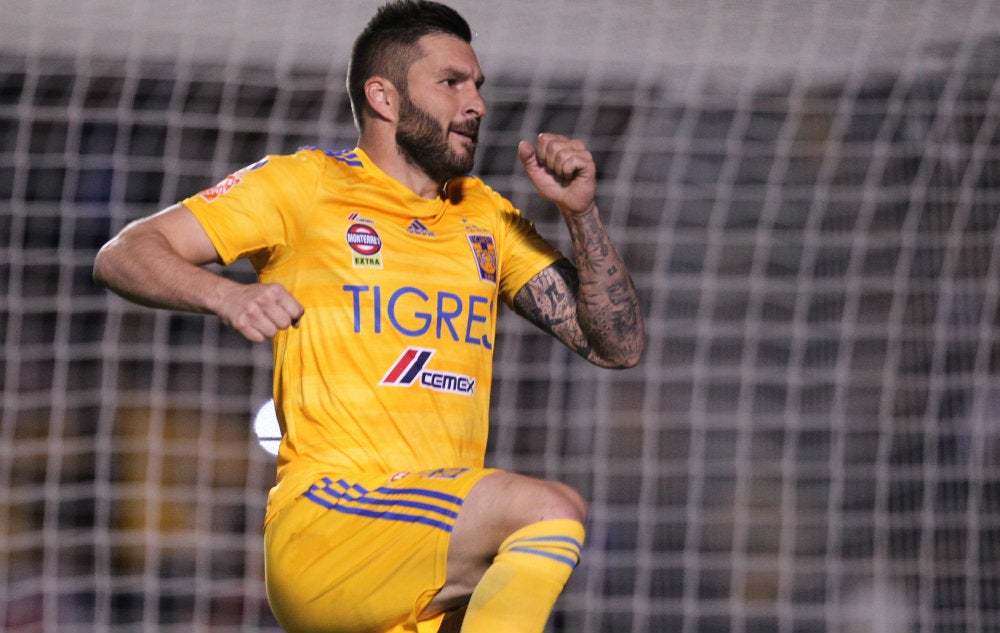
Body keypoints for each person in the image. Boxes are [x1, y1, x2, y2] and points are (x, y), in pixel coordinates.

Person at [92, 1, 644, 631]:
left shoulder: (485, 217)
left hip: (427, 558)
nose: (476, 105)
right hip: (330, 524)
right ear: (383, 96)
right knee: (547, 511)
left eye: (478, 86)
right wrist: (227, 295)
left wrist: (582, 215)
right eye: (451, 82)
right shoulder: (305, 186)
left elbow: (615, 346)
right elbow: (125, 254)